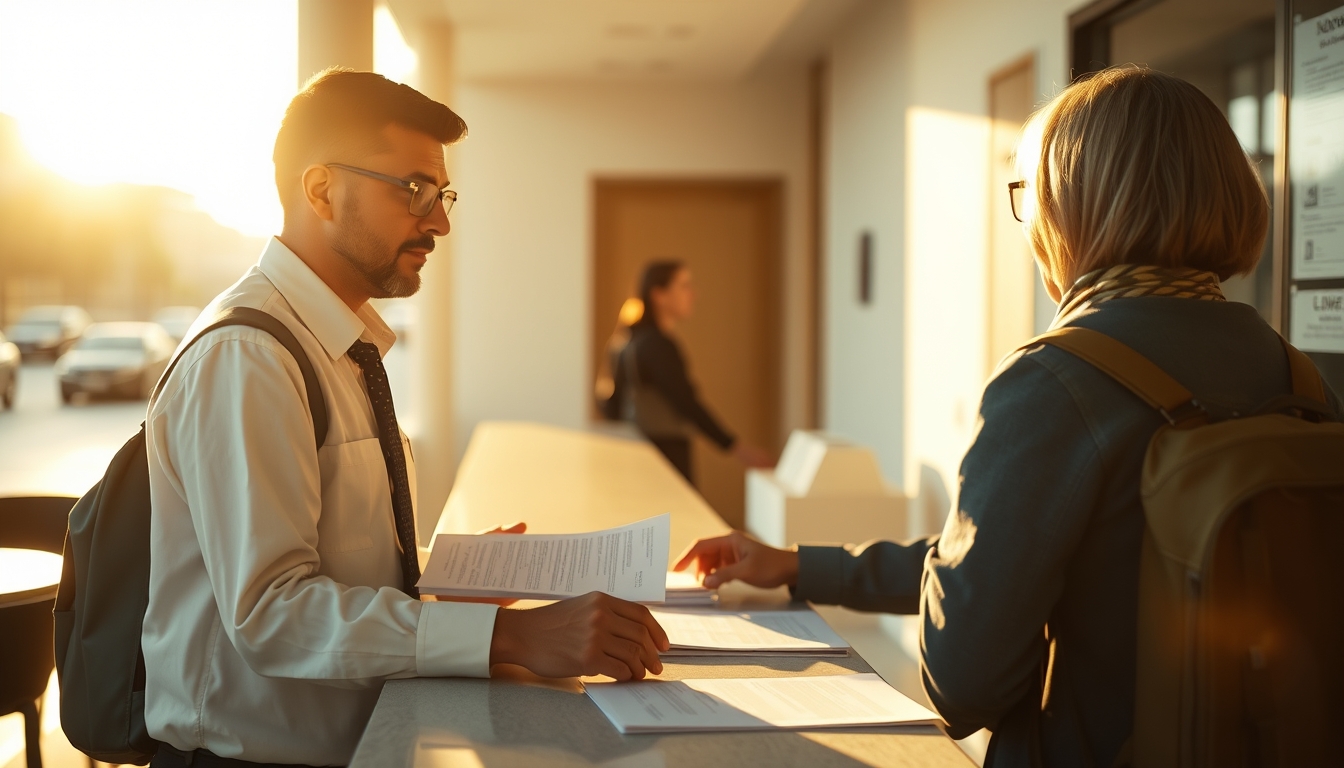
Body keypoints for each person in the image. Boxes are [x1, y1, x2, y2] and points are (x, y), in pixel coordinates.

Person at [673, 66, 1341, 767]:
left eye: (1030, 195)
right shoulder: (1300, 377)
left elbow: (964, 685)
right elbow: (1055, 559)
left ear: (1073, 207)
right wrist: (806, 566)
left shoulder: (1054, 382)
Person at [142, 69, 667, 768]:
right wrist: (508, 637)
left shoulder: (336, 342)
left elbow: (320, 557)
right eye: (414, 189)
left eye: (442, 194)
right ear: (322, 189)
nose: (441, 221)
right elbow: (271, 614)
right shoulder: (251, 355)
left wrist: (447, 576)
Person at [604, 260, 771, 483]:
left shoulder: (630, 341)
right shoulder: (656, 345)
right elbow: (686, 402)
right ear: (659, 295)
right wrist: (734, 446)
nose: (693, 294)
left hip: (640, 451)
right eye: (684, 286)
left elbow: (612, 407)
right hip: (665, 454)